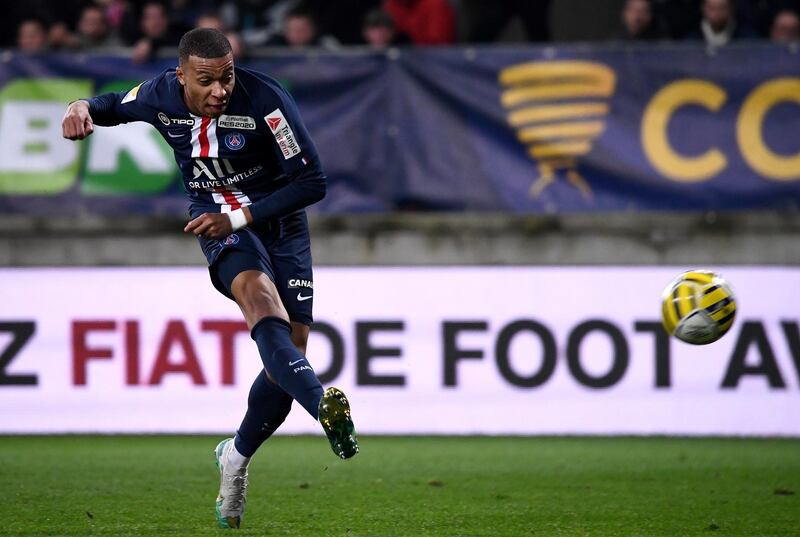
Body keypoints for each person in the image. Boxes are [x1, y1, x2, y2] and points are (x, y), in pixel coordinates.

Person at [61, 27, 359, 530]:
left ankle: (236, 457)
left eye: (227, 77)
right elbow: (112, 104)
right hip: (216, 221)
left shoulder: (267, 102)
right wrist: (79, 105)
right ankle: (322, 404)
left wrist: (241, 217)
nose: (220, 90)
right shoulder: (159, 94)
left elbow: (313, 181)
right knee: (260, 302)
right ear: (181, 76)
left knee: (292, 347)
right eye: (207, 81)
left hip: (279, 225)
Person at [685, 0, 757, 47]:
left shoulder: (747, 39)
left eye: (722, 8)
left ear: (731, 8)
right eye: (712, 8)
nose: (717, 14)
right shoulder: (691, 41)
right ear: (703, 8)